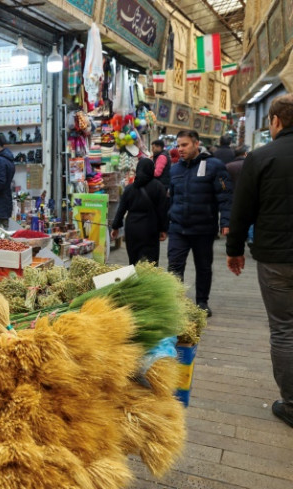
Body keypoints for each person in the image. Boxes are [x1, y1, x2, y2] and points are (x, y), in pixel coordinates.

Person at [227, 94, 293, 428]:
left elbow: (243, 210)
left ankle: (292, 404)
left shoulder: (262, 157)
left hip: (276, 258)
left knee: (283, 330)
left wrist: (234, 249)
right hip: (277, 255)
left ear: (276, 121)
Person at [167, 129, 232, 317]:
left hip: (204, 228)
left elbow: (225, 196)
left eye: (184, 145)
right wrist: (166, 221)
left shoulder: (214, 166)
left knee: (203, 266)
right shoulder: (175, 169)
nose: (180, 149)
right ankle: (175, 302)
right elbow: (171, 199)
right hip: (178, 227)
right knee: (174, 266)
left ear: (196, 144)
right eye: (178, 145)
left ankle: (202, 301)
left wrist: (226, 221)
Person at [110, 158, 168, 265]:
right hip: (150, 228)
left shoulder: (129, 188)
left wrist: (115, 227)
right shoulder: (158, 187)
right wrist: (163, 229)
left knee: (134, 260)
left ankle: (136, 280)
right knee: (150, 263)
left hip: (132, 229)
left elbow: (121, 210)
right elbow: (162, 210)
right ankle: (148, 281)